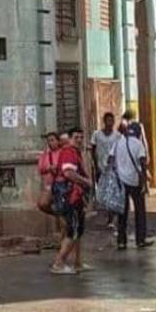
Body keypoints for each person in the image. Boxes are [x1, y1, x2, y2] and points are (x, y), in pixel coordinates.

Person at [50, 127, 92, 274]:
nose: (79, 140)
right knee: (72, 230)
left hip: (75, 196)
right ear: (70, 139)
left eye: (81, 137)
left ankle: (77, 262)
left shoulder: (75, 152)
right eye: (76, 137)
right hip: (70, 197)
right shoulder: (69, 152)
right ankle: (59, 263)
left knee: (78, 230)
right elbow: (68, 173)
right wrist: (86, 182)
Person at [113, 122, 152, 250]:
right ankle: (140, 240)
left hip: (121, 181)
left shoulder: (118, 142)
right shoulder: (138, 144)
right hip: (135, 181)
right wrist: (144, 182)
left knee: (122, 212)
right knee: (140, 210)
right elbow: (143, 162)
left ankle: (121, 241)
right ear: (138, 133)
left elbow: (110, 159)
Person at [92, 113, 122, 225]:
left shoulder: (117, 135)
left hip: (114, 168)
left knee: (112, 191)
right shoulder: (97, 134)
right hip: (101, 167)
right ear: (104, 121)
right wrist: (95, 165)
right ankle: (108, 212)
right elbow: (93, 150)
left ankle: (111, 215)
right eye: (108, 120)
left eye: (112, 120)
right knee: (103, 191)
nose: (110, 123)